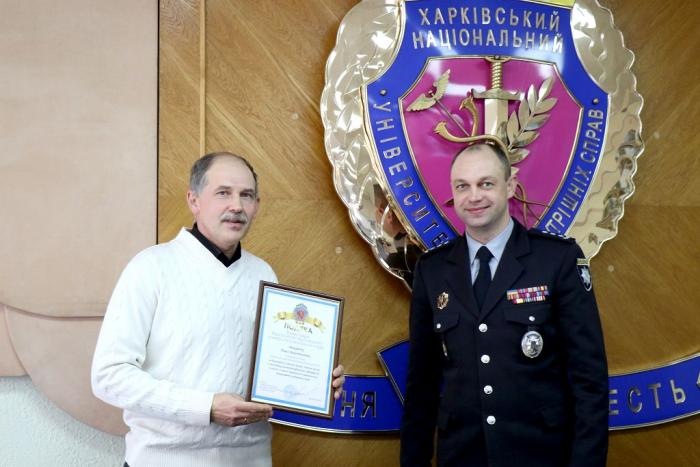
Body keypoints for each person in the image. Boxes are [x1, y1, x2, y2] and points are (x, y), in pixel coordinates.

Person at [92, 152, 345, 467]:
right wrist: (206, 407)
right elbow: (109, 376)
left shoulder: (263, 274)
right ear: (194, 200)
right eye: (223, 193)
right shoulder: (150, 268)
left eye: (246, 195)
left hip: (251, 460)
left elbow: (274, 372)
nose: (236, 206)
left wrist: (316, 383)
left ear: (257, 206)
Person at [400, 143, 608, 466]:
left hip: (540, 456)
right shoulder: (433, 270)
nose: (474, 197)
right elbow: (421, 388)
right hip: (462, 457)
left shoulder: (556, 260)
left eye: (486, 183)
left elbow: (589, 382)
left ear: (509, 187)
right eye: (462, 186)